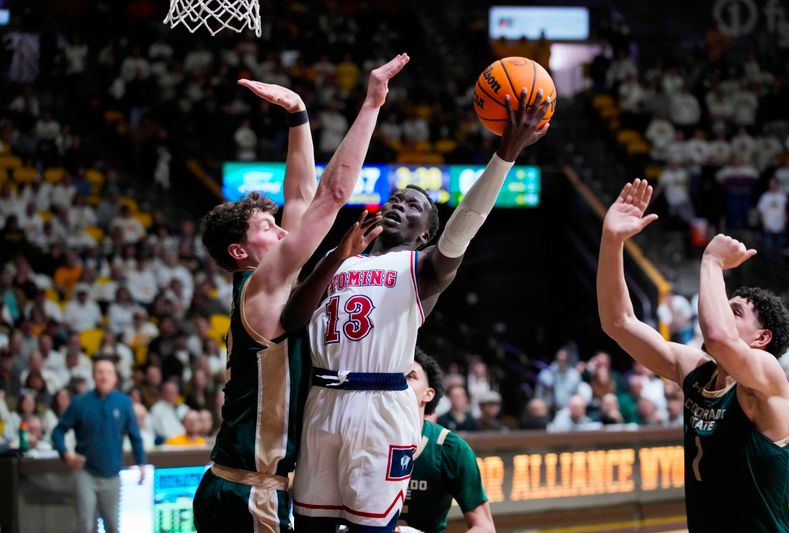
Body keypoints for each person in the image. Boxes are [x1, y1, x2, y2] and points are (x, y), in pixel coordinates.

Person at [283, 87, 551, 531]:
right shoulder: (342, 259)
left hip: (380, 404)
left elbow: (466, 223)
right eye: (396, 199)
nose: (399, 204)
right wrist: (335, 257)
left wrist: (505, 153)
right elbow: (293, 321)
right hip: (323, 400)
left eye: (414, 206)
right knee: (311, 527)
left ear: (426, 235)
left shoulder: (422, 267)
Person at [192, 54, 410, 533]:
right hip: (252, 493)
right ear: (240, 251)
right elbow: (330, 196)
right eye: (268, 229)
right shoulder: (261, 289)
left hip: (236, 485)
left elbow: (300, 196)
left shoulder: (262, 286)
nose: (283, 232)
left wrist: (298, 115)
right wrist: (372, 104)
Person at [597, 178, 789, 532]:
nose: (716, 311)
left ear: (762, 337)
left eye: (734, 311)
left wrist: (712, 262)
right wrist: (612, 241)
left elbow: (719, 337)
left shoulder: (767, 376)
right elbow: (619, 322)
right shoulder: (697, 371)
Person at [398, 348, 495, 533]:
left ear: (428, 394)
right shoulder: (359, 440)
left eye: (410, 376)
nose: (400, 381)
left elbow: (485, 527)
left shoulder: (451, 448)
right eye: (396, 375)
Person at [51, 356, 146, 533]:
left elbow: (135, 436)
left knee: (112, 525)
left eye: (108, 372)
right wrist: (65, 453)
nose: (104, 376)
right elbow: (58, 431)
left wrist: (141, 463)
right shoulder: (80, 402)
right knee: (85, 525)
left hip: (112, 473)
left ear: (115, 377)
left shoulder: (124, 403)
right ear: (93, 376)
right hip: (85, 471)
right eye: (100, 372)